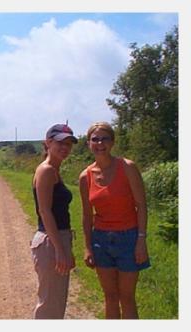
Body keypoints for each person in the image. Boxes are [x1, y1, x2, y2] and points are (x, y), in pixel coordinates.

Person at [79, 121, 150, 319]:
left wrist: (141, 240)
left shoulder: (127, 167)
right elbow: (86, 215)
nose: (100, 143)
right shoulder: (85, 176)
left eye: (105, 138)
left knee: (127, 298)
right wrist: (88, 247)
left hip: (129, 238)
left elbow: (141, 206)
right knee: (110, 297)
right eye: (95, 139)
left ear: (112, 142)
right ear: (88, 143)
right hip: (100, 240)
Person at [30, 123, 78, 319]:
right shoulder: (47, 170)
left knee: (56, 302)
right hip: (51, 241)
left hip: (57, 239)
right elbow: (45, 211)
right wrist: (60, 250)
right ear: (48, 143)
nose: (65, 147)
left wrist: (66, 247)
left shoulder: (54, 170)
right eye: (60, 142)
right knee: (50, 304)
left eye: (69, 143)